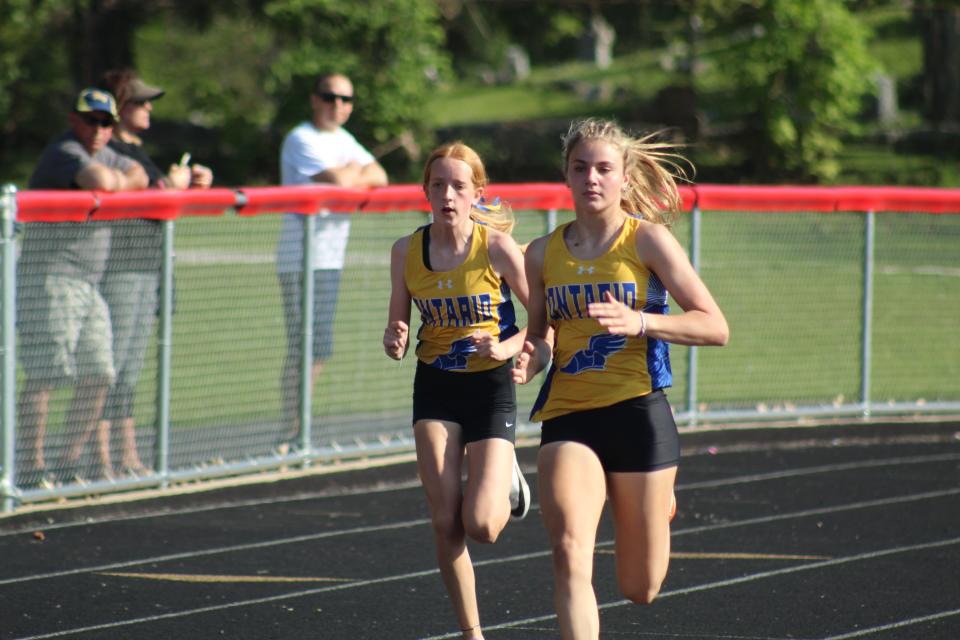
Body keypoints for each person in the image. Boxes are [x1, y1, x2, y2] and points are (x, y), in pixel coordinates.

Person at [512, 118, 729, 639]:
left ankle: (656, 502)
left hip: (637, 415)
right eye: (581, 167)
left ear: (625, 179)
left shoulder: (647, 241)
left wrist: (643, 321)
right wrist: (530, 357)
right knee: (568, 552)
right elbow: (542, 335)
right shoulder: (543, 253)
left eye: (604, 169)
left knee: (640, 586)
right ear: (565, 174)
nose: (592, 178)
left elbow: (714, 325)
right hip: (570, 416)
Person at [382, 142, 533, 640]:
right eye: (439, 184)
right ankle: (472, 633)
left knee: (482, 526)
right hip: (436, 386)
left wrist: (508, 348)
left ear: (477, 194)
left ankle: (503, 478)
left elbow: (543, 323)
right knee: (444, 519)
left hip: (489, 388)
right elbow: (397, 325)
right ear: (425, 190)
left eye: (459, 186)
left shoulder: (496, 248)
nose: (448, 194)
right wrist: (395, 337)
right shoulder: (406, 250)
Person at [16, 88, 149, 487]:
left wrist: (118, 181)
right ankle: (31, 466)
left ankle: (68, 462)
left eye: (106, 123)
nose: (98, 129)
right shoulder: (65, 151)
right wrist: (117, 182)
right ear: (74, 120)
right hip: (51, 277)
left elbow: (138, 175)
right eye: (90, 120)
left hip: (88, 283)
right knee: (46, 374)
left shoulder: (107, 152)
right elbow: (99, 180)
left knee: (99, 374)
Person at [89, 68, 213, 477]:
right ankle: (101, 458)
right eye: (139, 102)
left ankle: (127, 456)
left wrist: (191, 186)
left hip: (148, 267)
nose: (148, 108)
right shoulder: (110, 152)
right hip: (123, 268)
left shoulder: (138, 150)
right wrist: (171, 187)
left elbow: (161, 203)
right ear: (119, 107)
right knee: (113, 366)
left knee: (131, 368)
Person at [276, 72, 388, 446]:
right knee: (304, 345)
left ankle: (297, 427)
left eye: (345, 99)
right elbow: (342, 182)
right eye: (329, 96)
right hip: (301, 258)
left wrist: (351, 172)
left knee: (319, 346)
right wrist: (353, 173)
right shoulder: (300, 138)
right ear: (315, 99)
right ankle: (292, 427)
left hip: (329, 257)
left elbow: (380, 175)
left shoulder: (345, 140)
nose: (337, 104)